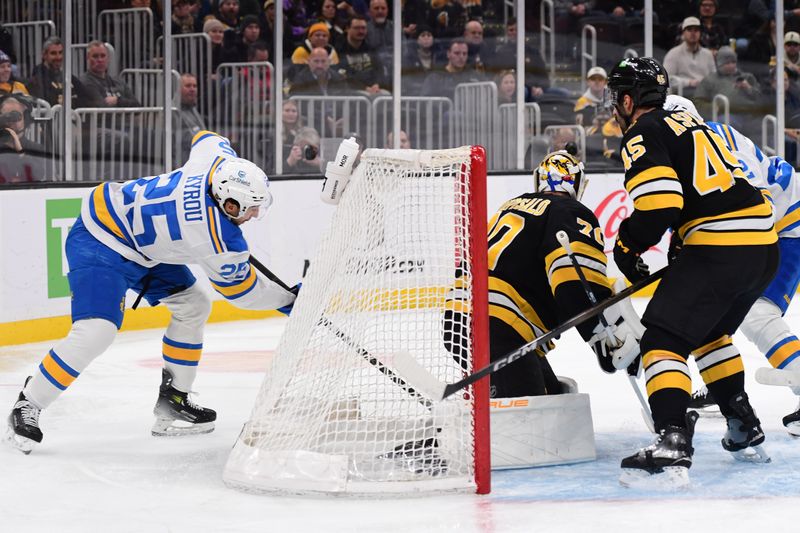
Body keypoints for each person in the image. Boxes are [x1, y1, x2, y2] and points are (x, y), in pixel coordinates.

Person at [5, 130, 298, 454]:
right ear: (229, 204)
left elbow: (204, 135)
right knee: (96, 331)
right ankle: (28, 403)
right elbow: (243, 292)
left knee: (193, 304)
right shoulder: (216, 238)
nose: (254, 215)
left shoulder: (215, 162)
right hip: (100, 238)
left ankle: (174, 400)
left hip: (142, 242)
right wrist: (289, 300)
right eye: (250, 208)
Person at [607, 57, 779, 486]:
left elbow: (661, 204)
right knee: (708, 332)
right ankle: (742, 423)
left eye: (617, 97)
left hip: (722, 246)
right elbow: (714, 191)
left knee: (663, 339)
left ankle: (671, 439)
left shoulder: (643, 133)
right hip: (762, 246)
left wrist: (627, 244)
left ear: (629, 100)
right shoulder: (695, 126)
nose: (615, 106)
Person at [444, 149, 642, 398]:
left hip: (457, 319)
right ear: (577, 183)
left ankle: (484, 403)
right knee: (534, 413)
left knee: (554, 393)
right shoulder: (570, 211)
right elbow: (576, 285)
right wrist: (604, 341)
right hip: (501, 326)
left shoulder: (509, 207)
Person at [663, 94, 800, 437]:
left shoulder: (713, 137)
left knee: (756, 313)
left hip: (787, 223)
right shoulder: (685, 148)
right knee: (718, 309)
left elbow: (756, 190)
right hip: (774, 225)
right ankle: (720, 380)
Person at [662, 16, 715, 96]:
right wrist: (688, 82)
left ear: (700, 33)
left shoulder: (708, 54)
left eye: (696, 30)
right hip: (682, 95)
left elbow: (714, 76)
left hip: (705, 94)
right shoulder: (673, 53)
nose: (693, 33)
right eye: (689, 30)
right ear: (683, 33)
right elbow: (665, 79)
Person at [78, 41, 141, 108]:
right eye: (95, 56)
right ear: (88, 58)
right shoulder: (85, 82)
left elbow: (137, 105)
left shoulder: (118, 81)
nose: (100, 60)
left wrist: (118, 101)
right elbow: (102, 108)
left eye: (103, 56)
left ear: (108, 58)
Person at [177, 72, 206, 164]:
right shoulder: (173, 111)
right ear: (178, 89)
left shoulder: (192, 108)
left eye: (194, 86)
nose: (192, 89)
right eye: (188, 86)